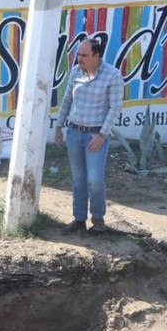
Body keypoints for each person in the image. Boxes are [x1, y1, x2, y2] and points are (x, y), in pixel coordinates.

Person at [53, 38, 123, 234]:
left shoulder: (112, 75)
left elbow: (115, 108)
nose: (79, 58)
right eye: (79, 54)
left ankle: (98, 219)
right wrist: (59, 127)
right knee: (78, 178)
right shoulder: (76, 71)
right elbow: (67, 100)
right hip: (74, 132)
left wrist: (102, 134)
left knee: (95, 178)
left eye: (84, 55)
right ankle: (79, 219)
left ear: (96, 55)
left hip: (95, 136)